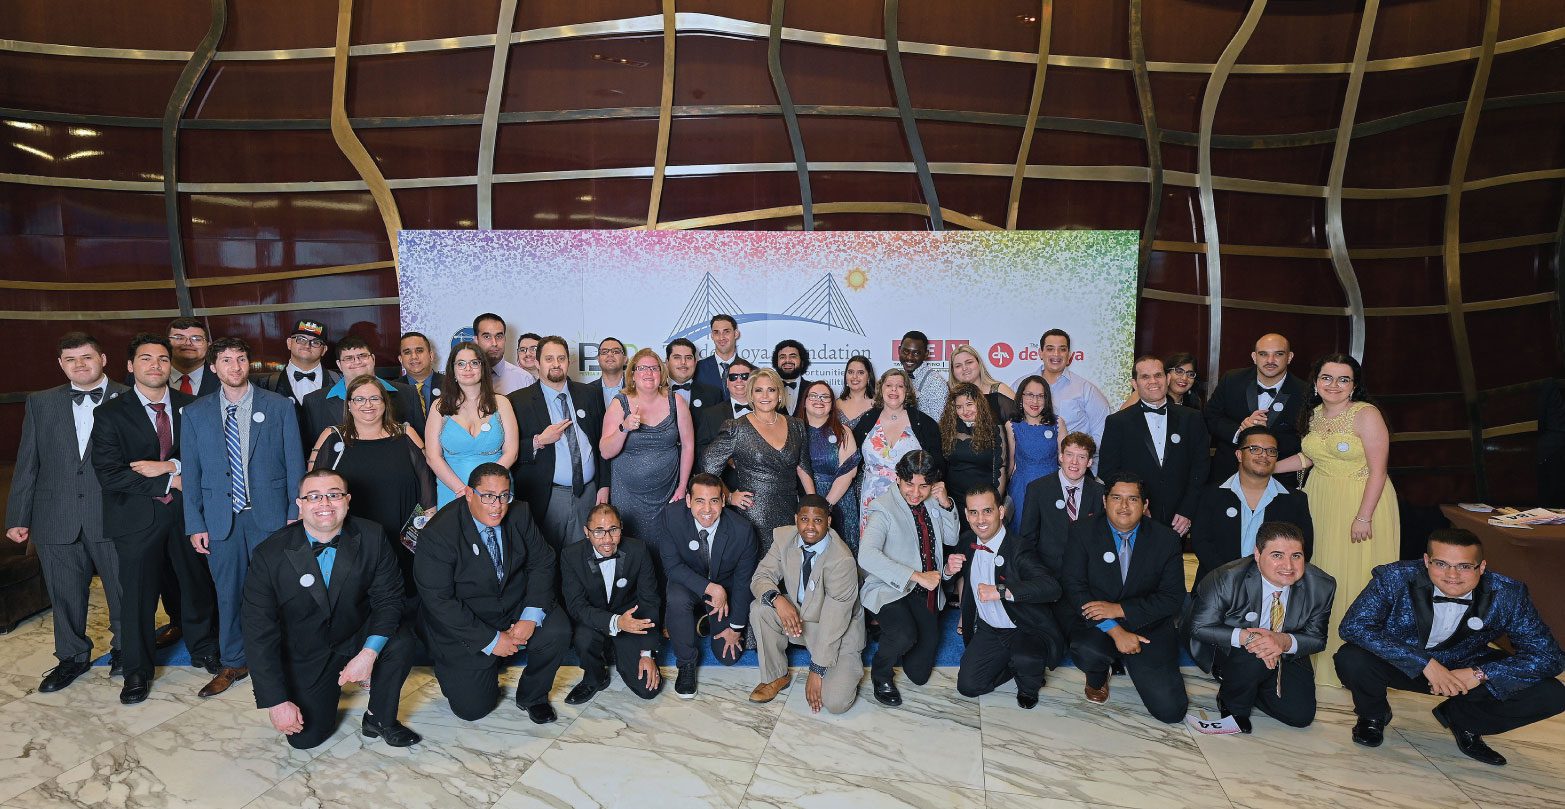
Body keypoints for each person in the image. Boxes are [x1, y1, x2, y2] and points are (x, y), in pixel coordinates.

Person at [1336, 529, 1565, 765]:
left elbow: (1549, 656)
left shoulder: (1508, 594)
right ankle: (1373, 716)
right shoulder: (1395, 577)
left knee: (1553, 693)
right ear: (1426, 561)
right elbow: (1353, 626)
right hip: (1407, 664)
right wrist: (1424, 663)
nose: (1452, 575)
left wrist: (1480, 674)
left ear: (1481, 567)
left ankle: (1465, 721)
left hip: (1465, 669)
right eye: (1441, 564)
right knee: (1352, 658)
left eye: (1464, 566)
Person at [241, 470, 421, 749]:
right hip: (306, 651)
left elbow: (389, 599)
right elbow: (258, 632)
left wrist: (368, 654)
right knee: (304, 740)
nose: (324, 503)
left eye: (333, 495)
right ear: (299, 504)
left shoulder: (372, 536)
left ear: (347, 500)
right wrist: (276, 701)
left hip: (356, 634)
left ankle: (379, 718)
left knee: (402, 640)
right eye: (313, 496)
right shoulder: (269, 555)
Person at [92, 333, 217, 704]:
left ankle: (204, 648)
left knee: (196, 586)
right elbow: (110, 473)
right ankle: (137, 671)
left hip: (185, 514)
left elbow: (206, 458)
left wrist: (171, 468)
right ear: (130, 367)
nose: (155, 366)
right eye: (146, 359)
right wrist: (171, 480)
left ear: (171, 366)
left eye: (163, 359)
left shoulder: (192, 406)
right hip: (135, 519)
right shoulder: (110, 413)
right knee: (138, 599)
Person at [181, 336, 305, 697]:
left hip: (269, 517)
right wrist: (195, 523)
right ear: (213, 367)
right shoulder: (195, 413)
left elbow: (295, 461)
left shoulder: (279, 405)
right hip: (221, 520)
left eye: (240, 359)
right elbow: (192, 472)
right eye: (226, 360)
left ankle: (282, 657)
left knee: (278, 590)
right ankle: (234, 660)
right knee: (228, 593)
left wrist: (293, 513)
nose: (235, 367)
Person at [6, 333, 127, 691]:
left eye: (86, 357)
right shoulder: (40, 402)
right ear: (61, 364)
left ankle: (125, 649)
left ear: (103, 359)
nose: (79, 364)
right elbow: (28, 461)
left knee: (123, 590)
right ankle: (72, 658)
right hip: (54, 515)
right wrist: (17, 516)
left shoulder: (129, 397)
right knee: (64, 594)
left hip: (114, 514)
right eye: (70, 359)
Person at [1274, 353, 1398, 688]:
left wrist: (1364, 516)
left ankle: (1351, 663)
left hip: (1361, 501)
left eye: (1343, 379)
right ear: (1315, 382)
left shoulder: (1366, 414)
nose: (1334, 385)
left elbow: (1378, 470)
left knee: (1353, 576)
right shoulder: (1313, 413)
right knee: (1323, 571)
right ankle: (1316, 653)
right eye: (1327, 378)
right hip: (1321, 499)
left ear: (1354, 385)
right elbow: (1308, 457)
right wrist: (1266, 465)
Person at [413, 463, 570, 725]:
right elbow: (439, 601)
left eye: (504, 495)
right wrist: (491, 640)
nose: (497, 505)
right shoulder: (438, 534)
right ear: (469, 494)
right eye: (488, 496)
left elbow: (542, 561)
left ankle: (533, 696)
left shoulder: (520, 513)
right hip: (468, 621)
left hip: (513, 605)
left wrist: (530, 617)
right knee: (472, 710)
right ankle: (463, 668)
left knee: (558, 630)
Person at [1062, 472, 1187, 723]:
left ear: (1145, 505)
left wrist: (1119, 609)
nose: (1124, 506)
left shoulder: (1167, 540)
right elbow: (1074, 587)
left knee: (1171, 711)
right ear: (1104, 501)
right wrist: (1115, 630)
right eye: (1117, 498)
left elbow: (1173, 597)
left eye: (1132, 499)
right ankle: (1099, 674)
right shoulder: (1082, 532)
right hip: (1097, 624)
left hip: (1148, 625)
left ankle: (1134, 663)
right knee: (1087, 650)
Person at [1187, 522, 1335, 732]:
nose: (1288, 566)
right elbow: (1200, 627)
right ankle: (1232, 704)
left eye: (1296, 556)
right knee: (1251, 657)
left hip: (1284, 650)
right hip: (1232, 647)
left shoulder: (1322, 585)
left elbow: (1317, 638)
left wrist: (1282, 641)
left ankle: (1252, 685)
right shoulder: (1226, 577)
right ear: (1257, 554)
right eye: (1277, 555)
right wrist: (1252, 639)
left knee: (1299, 716)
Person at [310, 374, 436, 595]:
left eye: (374, 399)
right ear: (349, 404)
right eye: (359, 399)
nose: (367, 405)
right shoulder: (332, 437)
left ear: (385, 403)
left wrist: (427, 523)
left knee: (404, 595)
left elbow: (426, 480)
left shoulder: (406, 434)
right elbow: (313, 489)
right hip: (351, 536)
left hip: (402, 533)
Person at [748, 495, 866, 714]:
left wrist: (817, 669)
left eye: (818, 520)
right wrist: (778, 599)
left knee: (836, 704)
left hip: (837, 632)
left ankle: (840, 670)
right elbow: (760, 577)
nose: (810, 526)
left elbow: (835, 621)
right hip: (800, 620)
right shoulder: (784, 538)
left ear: (828, 522)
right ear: (796, 519)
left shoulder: (842, 560)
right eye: (804, 519)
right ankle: (776, 676)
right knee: (760, 608)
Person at [948, 485, 1064, 708]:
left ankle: (1029, 682)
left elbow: (1052, 588)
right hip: (989, 628)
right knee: (968, 686)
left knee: (1026, 660)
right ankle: (1015, 665)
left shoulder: (1019, 548)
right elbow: (946, 579)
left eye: (987, 511)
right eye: (973, 512)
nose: (980, 519)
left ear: (1001, 512)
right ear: (966, 515)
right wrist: (948, 570)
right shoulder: (967, 541)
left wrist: (1002, 591)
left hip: (1023, 626)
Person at [858, 451, 958, 707]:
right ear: (898, 479)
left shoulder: (933, 500)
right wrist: (915, 576)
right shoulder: (883, 507)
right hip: (891, 588)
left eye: (923, 485)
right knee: (904, 635)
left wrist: (946, 503)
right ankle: (881, 674)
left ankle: (890, 633)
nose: (915, 492)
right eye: (909, 484)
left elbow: (951, 539)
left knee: (919, 675)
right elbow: (866, 556)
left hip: (925, 593)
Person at [655, 473, 760, 698]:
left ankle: (702, 622)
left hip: (726, 587)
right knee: (677, 598)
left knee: (728, 656)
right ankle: (686, 664)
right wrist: (710, 588)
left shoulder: (742, 531)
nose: (707, 509)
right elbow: (672, 567)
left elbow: (744, 582)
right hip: (688, 582)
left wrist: (736, 628)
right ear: (688, 501)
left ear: (723, 500)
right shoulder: (671, 518)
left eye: (714, 501)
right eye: (700, 501)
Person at [510, 336, 611, 550]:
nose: (556, 364)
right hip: (548, 496)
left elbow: (603, 442)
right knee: (547, 558)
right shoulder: (518, 401)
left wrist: (604, 485)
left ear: (568, 361)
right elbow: (509, 450)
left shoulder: (590, 394)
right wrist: (538, 441)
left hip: (588, 493)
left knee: (584, 559)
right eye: (549, 358)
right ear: (537, 363)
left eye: (561, 358)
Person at [700, 367, 813, 550]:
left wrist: (813, 505)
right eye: (758, 390)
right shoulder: (737, 427)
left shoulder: (796, 425)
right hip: (753, 514)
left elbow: (803, 467)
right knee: (757, 570)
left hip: (790, 511)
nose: (765, 395)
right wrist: (728, 496)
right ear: (751, 395)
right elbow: (708, 468)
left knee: (787, 568)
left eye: (771, 389)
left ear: (779, 394)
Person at [559, 504, 662, 705]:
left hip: (631, 620)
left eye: (613, 530)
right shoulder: (570, 556)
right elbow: (576, 605)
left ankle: (621, 652)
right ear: (586, 532)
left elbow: (650, 600)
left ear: (621, 528)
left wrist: (647, 653)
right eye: (598, 531)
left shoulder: (638, 550)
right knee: (584, 638)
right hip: (593, 619)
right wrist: (615, 622)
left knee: (648, 691)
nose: (607, 539)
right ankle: (595, 676)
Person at [1098, 356, 1209, 536]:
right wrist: (1136, 506)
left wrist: (1187, 510)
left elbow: (1201, 467)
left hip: (1179, 518)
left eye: (1158, 375)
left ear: (1167, 379)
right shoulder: (1117, 422)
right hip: (1134, 516)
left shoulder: (1192, 418)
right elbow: (1108, 470)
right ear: (1134, 383)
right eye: (1145, 377)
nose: (1153, 381)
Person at [1190, 426, 1312, 588]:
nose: (1264, 455)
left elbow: (1304, 548)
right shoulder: (1211, 495)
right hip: (1219, 586)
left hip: (1275, 589)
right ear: (1239, 455)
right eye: (1255, 449)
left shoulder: (1295, 500)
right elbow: (1201, 542)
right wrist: (1233, 578)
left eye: (1271, 451)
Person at [601, 349, 695, 541]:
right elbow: (605, 452)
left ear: (661, 373)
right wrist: (624, 427)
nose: (648, 373)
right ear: (632, 374)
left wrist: (682, 486)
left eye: (654, 368)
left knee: (667, 546)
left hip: (668, 492)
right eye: (642, 368)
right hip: (628, 495)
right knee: (632, 548)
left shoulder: (676, 401)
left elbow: (688, 446)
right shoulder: (620, 403)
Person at [1017, 432, 1103, 632]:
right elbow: (1028, 538)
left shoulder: (1099, 493)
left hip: (1084, 579)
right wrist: (1036, 577)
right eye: (1070, 455)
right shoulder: (1038, 489)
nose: (1074, 462)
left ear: (1089, 462)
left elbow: (1100, 540)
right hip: (1048, 575)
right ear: (1060, 456)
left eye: (1081, 457)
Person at [425, 342, 519, 509]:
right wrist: (463, 490)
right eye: (461, 363)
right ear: (452, 370)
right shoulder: (439, 407)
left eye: (474, 363)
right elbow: (433, 457)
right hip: (453, 492)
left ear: (483, 368)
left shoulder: (502, 403)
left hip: (495, 491)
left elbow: (511, 452)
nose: (468, 368)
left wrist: (487, 487)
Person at [1205, 334, 1307, 487]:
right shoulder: (1232, 379)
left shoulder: (1304, 391)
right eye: (1263, 354)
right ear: (1254, 357)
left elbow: (1306, 437)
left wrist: (1263, 437)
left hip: (1279, 480)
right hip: (1228, 473)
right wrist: (1240, 431)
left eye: (1278, 354)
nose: (1270, 361)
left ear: (1290, 357)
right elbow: (1210, 416)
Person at [852, 368, 942, 536]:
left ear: (907, 391)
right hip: (872, 499)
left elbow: (937, 465)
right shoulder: (867, 420)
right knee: (874, 547)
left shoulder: (924, 423)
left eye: (900, 386)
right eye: (889, 385)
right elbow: (852, 459)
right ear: (881, 389)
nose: (894, 390)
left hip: (911, 497)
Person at [301, 336, 425, 442]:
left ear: (373, 359)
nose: (357, 362)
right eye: (349, 358)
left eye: (362, 356)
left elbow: (420, 442)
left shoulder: (408, 393)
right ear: (339, 365)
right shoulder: (314, 402)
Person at [1014, 329, 1111, 449]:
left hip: (1072, 465)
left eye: (1062, 349)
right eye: (1050, 349)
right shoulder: (1019, 386)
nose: (1056, 354)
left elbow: (1102, 433)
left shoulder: (1086, 390)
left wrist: (1078, 457)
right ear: (1040, 353)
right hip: (1031, 464)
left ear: (1069, 355)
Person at [253, 319, 337, 444]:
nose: (307, 345)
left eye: (315, 342)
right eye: (301, 339)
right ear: (289, 343)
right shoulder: (265, 385)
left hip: (331, 459)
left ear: (324, 350)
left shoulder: (339, 382)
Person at [801, 379, 861, 552]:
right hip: (805, 499)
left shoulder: (843, 431)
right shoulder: (795, 430)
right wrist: (812, 504)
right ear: (805, 401)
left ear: (832, 404)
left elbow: (848, 472)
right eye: (813, 396)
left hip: (840, 500)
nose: (819, 400)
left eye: (825, 397)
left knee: (842, 552)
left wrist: (824, 506)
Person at [940, 383, 1007, 532]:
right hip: (954, 500)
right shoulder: (947, 427)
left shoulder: (994, 427)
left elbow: (1001, 466)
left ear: (979, 403)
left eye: (969, 404)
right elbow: (942, 465)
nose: (965, 411)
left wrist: (994, 501)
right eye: (959, 407)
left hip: (983, 501)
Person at [1005, 375, 1066, 534]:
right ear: (1021, 397)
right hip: (1021, 491)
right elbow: (1009, 466)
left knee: (1050, 536)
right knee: (1021, 536)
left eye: (1041, 396)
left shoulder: (1057, 423)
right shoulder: (1012, 425)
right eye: (1030, 395)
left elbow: (1065, 461)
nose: (1035, 401)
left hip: (1052, 489)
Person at [948, 343, 1017, 423]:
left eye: (969, 362)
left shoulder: (999, 390)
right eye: (958, 366)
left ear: (979, 363)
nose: (964, 368)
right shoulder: (949, 396)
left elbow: (1020, 424)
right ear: (953, 371)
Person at [1121, 351, 1203, 411]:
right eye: (1179, 371)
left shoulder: (1193, 403)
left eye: (1190, 374)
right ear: (1167, 375)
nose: (1184, 378)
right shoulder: (1144, 394)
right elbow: (1123, 422)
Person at [472, 313, 532, 394]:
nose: (494, 343)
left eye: (499, 336)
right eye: (487, 337)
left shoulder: (524, 379)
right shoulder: (463, 377)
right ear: (476, 340)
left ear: (505, 339)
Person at [898, 330, 948, 422]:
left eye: (916, 353)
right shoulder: (896, 378)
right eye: (905, 351)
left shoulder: (936, 383)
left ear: (926, 355)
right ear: (899, 350)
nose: (909, 357)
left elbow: (936, 426)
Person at [164, 317, 218, 397]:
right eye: (179, 338)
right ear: (166, 343)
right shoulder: (151, 375)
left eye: (197, 339)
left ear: (208, 345)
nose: (188, 343)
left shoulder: (222, 377)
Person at [397, 330, 444, 419]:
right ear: (400, 359)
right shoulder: (392, 391)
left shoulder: (451, 385)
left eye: (419, 350)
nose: (414, 356)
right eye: (407, 352)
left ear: (431, 356)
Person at [694, 314, 741, 398]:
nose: (721, 337)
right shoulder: (697, 369)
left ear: (736, 334)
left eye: (726, 331)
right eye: (716, 332)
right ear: (712, 335)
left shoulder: (751, 370)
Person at [666, 338, 722, 408]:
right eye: (677, 357)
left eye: (688, 358)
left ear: (695, 362)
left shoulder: (713, 394)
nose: (683, 362)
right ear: (667, 362)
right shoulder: (654, 392)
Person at [771, 339, 811, 415]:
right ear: (776, 362)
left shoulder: (812, 389)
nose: (787, 360)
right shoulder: (768, 389)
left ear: (802, 361)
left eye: (793, 356)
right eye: (782, 357)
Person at [586, 336, 627, 407]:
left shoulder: (636, 388)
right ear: (598, 359)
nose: (610, 354)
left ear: (625, 359)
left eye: (616, 351)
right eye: (604, 352)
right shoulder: (586, 391)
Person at [836, 354, 876, 426]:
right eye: (850, 372)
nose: (854, 376)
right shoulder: (835, 404)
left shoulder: (878, 405)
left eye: (860, 373)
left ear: (869, 376)